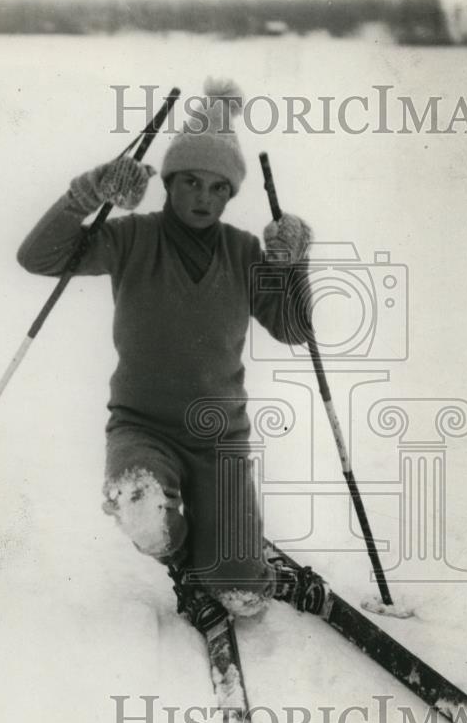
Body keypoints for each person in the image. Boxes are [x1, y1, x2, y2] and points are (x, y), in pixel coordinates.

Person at [17, 79, 312, 625]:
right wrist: (87, 193)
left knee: (243, 596)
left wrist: (293, 267)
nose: (203, 198)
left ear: (231, 194)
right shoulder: (132, 238)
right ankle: (174, 544)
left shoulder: (245, 252)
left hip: (218, 436)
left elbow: (294, 329)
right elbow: (39, 257)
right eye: (191, 182)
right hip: (142, 426)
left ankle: (235, 558)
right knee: (143, 505)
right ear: (168, 182)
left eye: (218, 188)